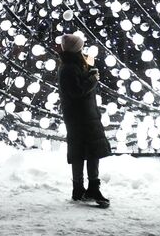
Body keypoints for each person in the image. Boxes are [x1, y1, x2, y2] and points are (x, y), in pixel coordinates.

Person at [57, 33, 112, 207]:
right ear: (76, 48)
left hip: (81, 115)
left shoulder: (73, 64)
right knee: (88, 150)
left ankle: (80, 189)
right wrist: (92, 80)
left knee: (81, 151)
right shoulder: (69, 68)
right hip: (81, 116)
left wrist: (90, 73)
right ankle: (89, 188)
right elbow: (76, 91)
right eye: (80, 46)